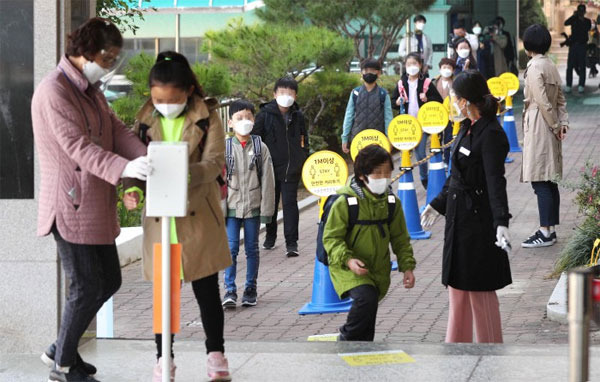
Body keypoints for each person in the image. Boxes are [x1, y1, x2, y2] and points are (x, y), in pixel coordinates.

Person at [31, 18, 148, 382]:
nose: (110, 65)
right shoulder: (54, 91)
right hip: (69, 205)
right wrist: (129, 166)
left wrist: (148, 157)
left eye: (114, 58)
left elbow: (117, 131)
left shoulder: (90, 90)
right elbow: (79, 149)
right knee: (85, 286)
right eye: (107, 57)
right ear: (85, 53)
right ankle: (63, 366)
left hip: (94, 204)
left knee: (109, 280)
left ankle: (59, 348)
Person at [123, 51, 232, 382]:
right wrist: (133, 190)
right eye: (157, 99)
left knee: (206, 290)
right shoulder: (144, 120)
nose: (164, 105)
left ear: (187, 92)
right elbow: (134, 162)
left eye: (171, 99)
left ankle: (216, 355)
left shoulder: (207, 116)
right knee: (164, 294)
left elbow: (214, 163)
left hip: (196, 213)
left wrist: (179, 173)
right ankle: (163, 359)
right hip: (160, 218)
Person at [421, 70, 512, 344]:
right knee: (458, 288)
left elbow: (496, 182)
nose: (452, 103)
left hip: (479, 224)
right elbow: (456, 176)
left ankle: (490, 348)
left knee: (479, 290)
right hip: (458, 222)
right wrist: (436, 206)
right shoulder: (465, 128)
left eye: (454, 98)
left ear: (466, 101)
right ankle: (455, 347)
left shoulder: (492, 133)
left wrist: (501, 222)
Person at [323, 144, 416, 341]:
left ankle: (363, 352)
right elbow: (331, 238)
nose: (384, 178)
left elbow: (400, 237)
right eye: (377, 173)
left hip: (377, 268)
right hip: (346, 266)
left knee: (369, 312)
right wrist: (348, 260)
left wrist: (407, 267)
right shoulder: (345, 202)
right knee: (366, 298)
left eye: (387, 172)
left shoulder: (391, 203)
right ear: (362, 175)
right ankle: (345, 339)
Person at [222, 100, 275, 308]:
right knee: (231, 248)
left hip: (253, 206)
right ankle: (230, 290)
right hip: (231, 208)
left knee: (252, 249)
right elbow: (218, 183)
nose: (244, 121)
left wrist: (267, 211)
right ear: (230, 123)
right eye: (239, 118)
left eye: (248, 117)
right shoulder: (225, 149)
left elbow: (268, 181)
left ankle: (250, 288)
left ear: (254, 120)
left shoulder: (260, 147)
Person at [520, 24, 569, 248]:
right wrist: (562, 123)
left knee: (540, 179)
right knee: (548, 179)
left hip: (540, 124)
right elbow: (560, 99)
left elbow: (541, 100)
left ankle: (545, 231)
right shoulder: (550, 65)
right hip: (550, 125)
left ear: (527, 44)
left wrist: (554, 124)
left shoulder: (533, 68)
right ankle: (550, 229)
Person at [252, 77, 309, 257]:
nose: (286, 96)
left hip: (291, 168)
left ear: (295, 95)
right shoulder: (264, 115)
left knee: (290, 204)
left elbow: (303, 140)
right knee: (271, 203)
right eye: (282, 92)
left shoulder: (298, 116)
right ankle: (270, 236)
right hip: (269, 168)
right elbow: (255, 140)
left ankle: (292, 243)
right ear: (274, 94)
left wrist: (302, 157)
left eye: (290, 93)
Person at [392, 52, 443, 190]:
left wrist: (427, 99)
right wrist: (397, 102)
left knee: (420, 153)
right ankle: (406, 181)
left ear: (420, 65)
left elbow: (439, 101)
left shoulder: (426, 83)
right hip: (407, 124)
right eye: (409, 64)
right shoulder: (401, 83)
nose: (412, 67)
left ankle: (424, 178)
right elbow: (392, 102)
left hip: (422, 124)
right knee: (405, 153)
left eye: (414, 64)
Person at [341, 58, 393, 153]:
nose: (369, 73)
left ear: (378, 73)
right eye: (366, 70)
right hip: (358, 140)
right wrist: (345, 138)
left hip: (377, 140)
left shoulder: (383, 94)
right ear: (361, 72)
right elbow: (348, 116)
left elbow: (388, 118)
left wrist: (389, 138)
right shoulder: (355, 93)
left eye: (372, 70)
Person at [433, 57, 457, 165]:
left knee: (448, 138)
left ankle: (447, 160)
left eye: (449, 67)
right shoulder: (434, 82)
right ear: (440, 69)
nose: (446, 69)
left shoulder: (456, 83)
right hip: (436, 114)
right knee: (437, 137)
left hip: (450, 115)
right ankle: (438, 159)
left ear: (453, 70)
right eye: (444, 67)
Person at [564, 3, 592, 93]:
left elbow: (588, 28)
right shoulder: (574, 20)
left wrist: (579, 20)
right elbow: (566, 23)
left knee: (582, 65)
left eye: (582, 11)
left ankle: (581, 85)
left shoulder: (587, 21)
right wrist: (573, 16)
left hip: (582, 45)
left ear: (584, 12)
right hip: (573, 45)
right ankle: (568, 85)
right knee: (570, 66)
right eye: (579, 11)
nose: (581, 13)